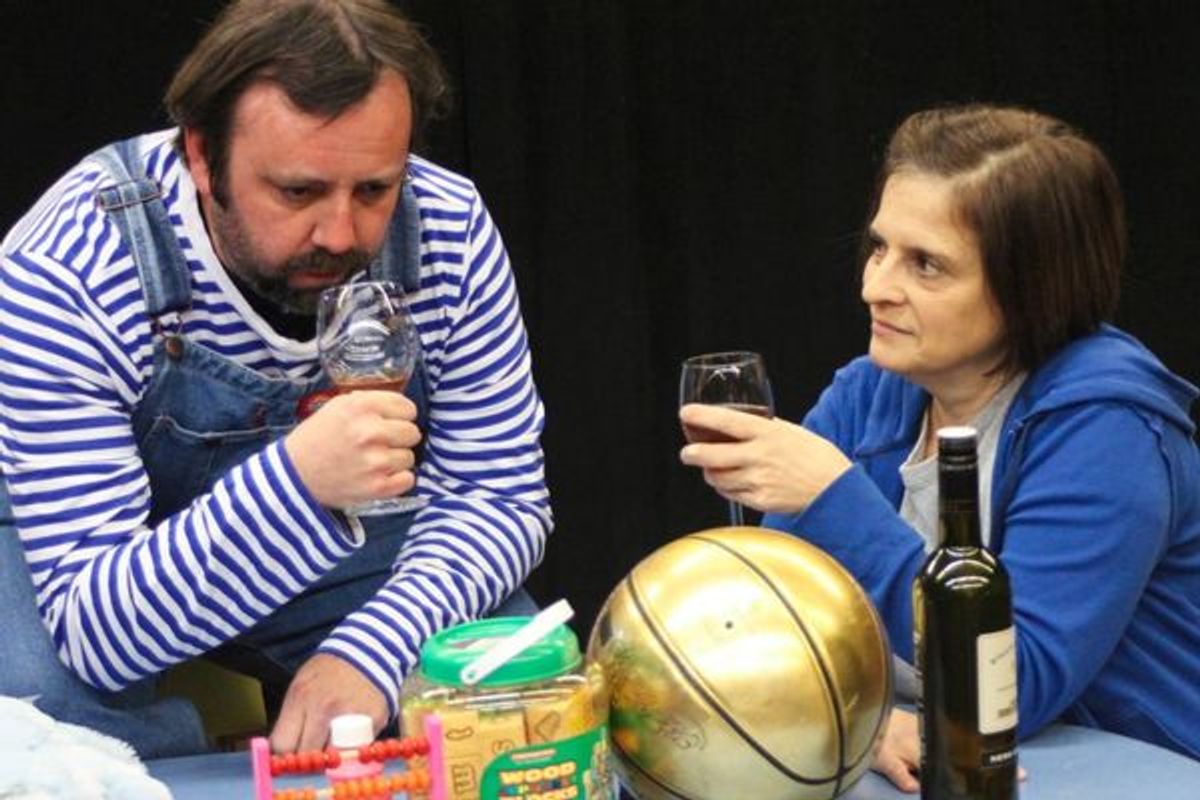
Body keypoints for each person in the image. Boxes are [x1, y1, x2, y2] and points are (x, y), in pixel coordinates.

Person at [0, 0, 550, 758]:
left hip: (328, 535)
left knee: (511, 683)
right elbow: (98, 632)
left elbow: (498, 496)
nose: (341, 234)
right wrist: (298, 482)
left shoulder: (449, 225)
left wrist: (372, 650)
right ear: (201, 153)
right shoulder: (67, 264)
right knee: (42, 720)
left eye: (374, 190)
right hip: (79, 562)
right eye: (296, 192)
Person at [679, 104, 1200, 789]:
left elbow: (1018, 681)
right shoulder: (874, 389)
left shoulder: (1109, 429)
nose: (875, 287)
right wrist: (859, 715)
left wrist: (833, 498)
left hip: (1117, 760)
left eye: (926, 265)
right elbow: (776, 618)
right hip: (939, 755)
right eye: (879, 248)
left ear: (1030, 287)